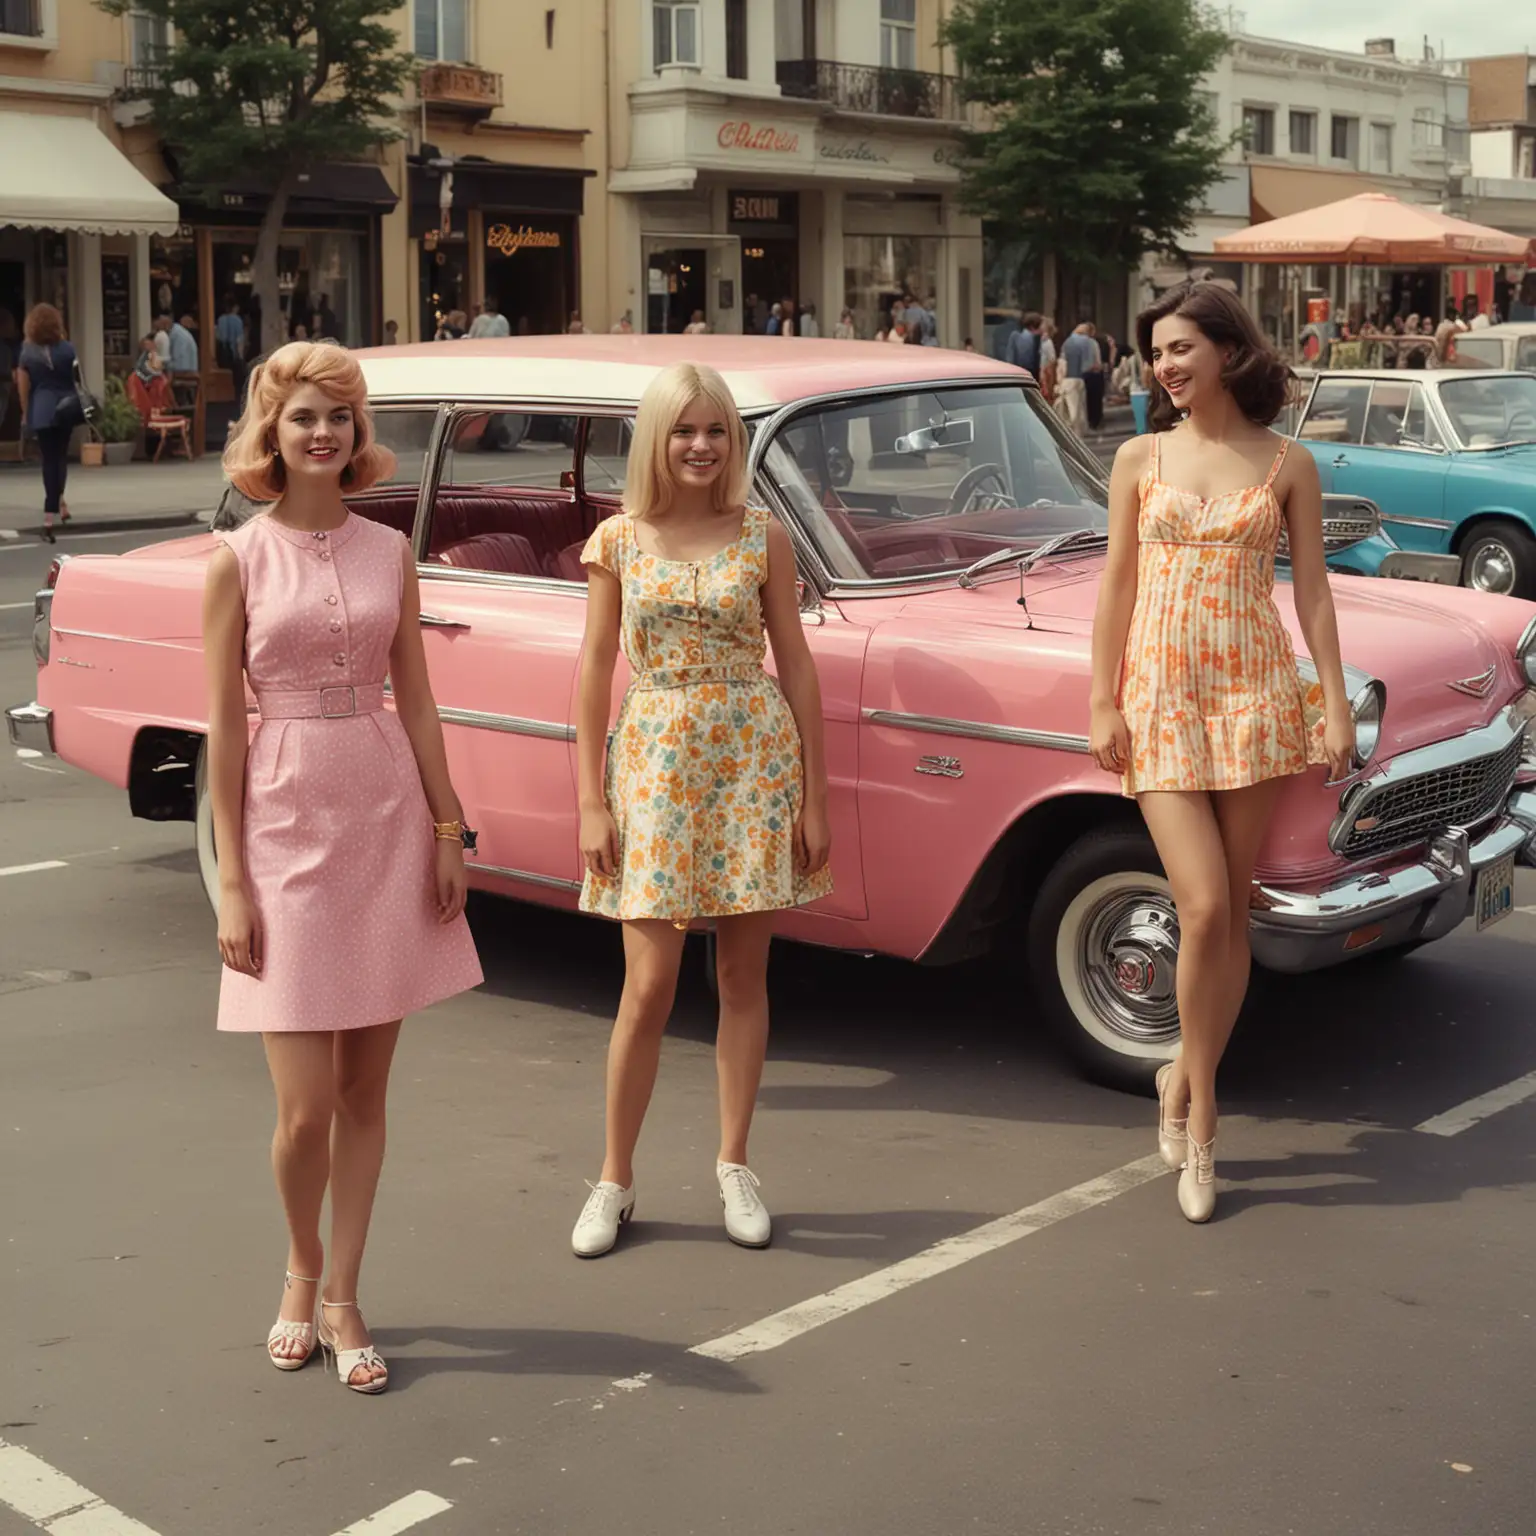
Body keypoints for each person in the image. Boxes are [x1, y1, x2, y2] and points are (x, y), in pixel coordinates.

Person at [206, 342, 483, 1392]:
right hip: (281, 825)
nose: (321, 433)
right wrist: (231, 879)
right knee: (304, 1110)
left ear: (357, 435)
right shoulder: (235, 558)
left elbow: (416, 701)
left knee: (367, 1095)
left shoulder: (388, 552)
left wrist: (449, 834)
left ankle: (345, 1297)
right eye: (301, 417)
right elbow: (223, 732)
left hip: (382, 814)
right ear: (270, 436)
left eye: (338, 417)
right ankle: (298, 1268)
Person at [1089, 281, 1351, 1224]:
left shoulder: (1288, 462)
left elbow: (1314, 592)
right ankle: (1205, 1110)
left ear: (1228, 352)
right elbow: (1115, 586)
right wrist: (1100, 700)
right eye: (1155, 352)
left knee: (1232, 914)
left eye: (1178, 348)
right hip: (1159, 701)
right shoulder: (1137, 455)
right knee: (1198, 905)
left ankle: (1182, 1089)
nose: (1163, 365)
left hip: (1253, 697)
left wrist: (1333, 705)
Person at [571, 362, 833, 1258]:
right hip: (652, 763)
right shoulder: (619, 540)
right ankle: (613, 1178)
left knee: (740, 979)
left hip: (751, 758)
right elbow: (591, 673)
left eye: (716, 430)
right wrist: (590, 805)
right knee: (646, 986)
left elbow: (795, 664)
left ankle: (735, 1163)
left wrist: (814, 794)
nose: (700, 445)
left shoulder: (763, 534)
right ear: (656, 438)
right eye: (683, 430)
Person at [15, 303, 78, 542]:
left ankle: (49, 511)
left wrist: (25, 412)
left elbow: (23, 385)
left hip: (42, 410)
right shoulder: (67, 349)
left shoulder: (27, 352)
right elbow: (76, 379)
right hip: (66, 407)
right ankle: (59, 503)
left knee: (48, 459)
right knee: (60, 458)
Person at [1055, 322, 1098, 432]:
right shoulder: (1090, 342)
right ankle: (1079, 433)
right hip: (1080, 379)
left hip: (1068, 379)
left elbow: (1062, 362)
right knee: (1080, 409)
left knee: (1070, 410)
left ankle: (1072, 433)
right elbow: (1091, 364)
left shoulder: (1068, 343)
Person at [216, 297, 248, 406]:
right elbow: (239, 340)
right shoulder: (237, 320)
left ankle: (225, 398)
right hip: (234, 353)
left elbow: (219, 337)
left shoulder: (220, 320)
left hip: (223, 353)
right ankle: (236, 402)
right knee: (237, 381)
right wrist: (240, 356)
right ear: (235, 307)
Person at [1084, 322, 1108, 430]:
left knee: (1088, 399)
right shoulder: (1094, 343)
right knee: (1096, 399)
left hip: (1084, 375)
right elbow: (1098, 361)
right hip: (1095, 373)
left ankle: (1090, 421)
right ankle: (1096, 421)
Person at [1006, 311, 1044, 377]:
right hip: (1032, 376)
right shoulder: (1038, 339)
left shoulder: (1015, 336)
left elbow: (1010, 359)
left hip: (1017, 374)